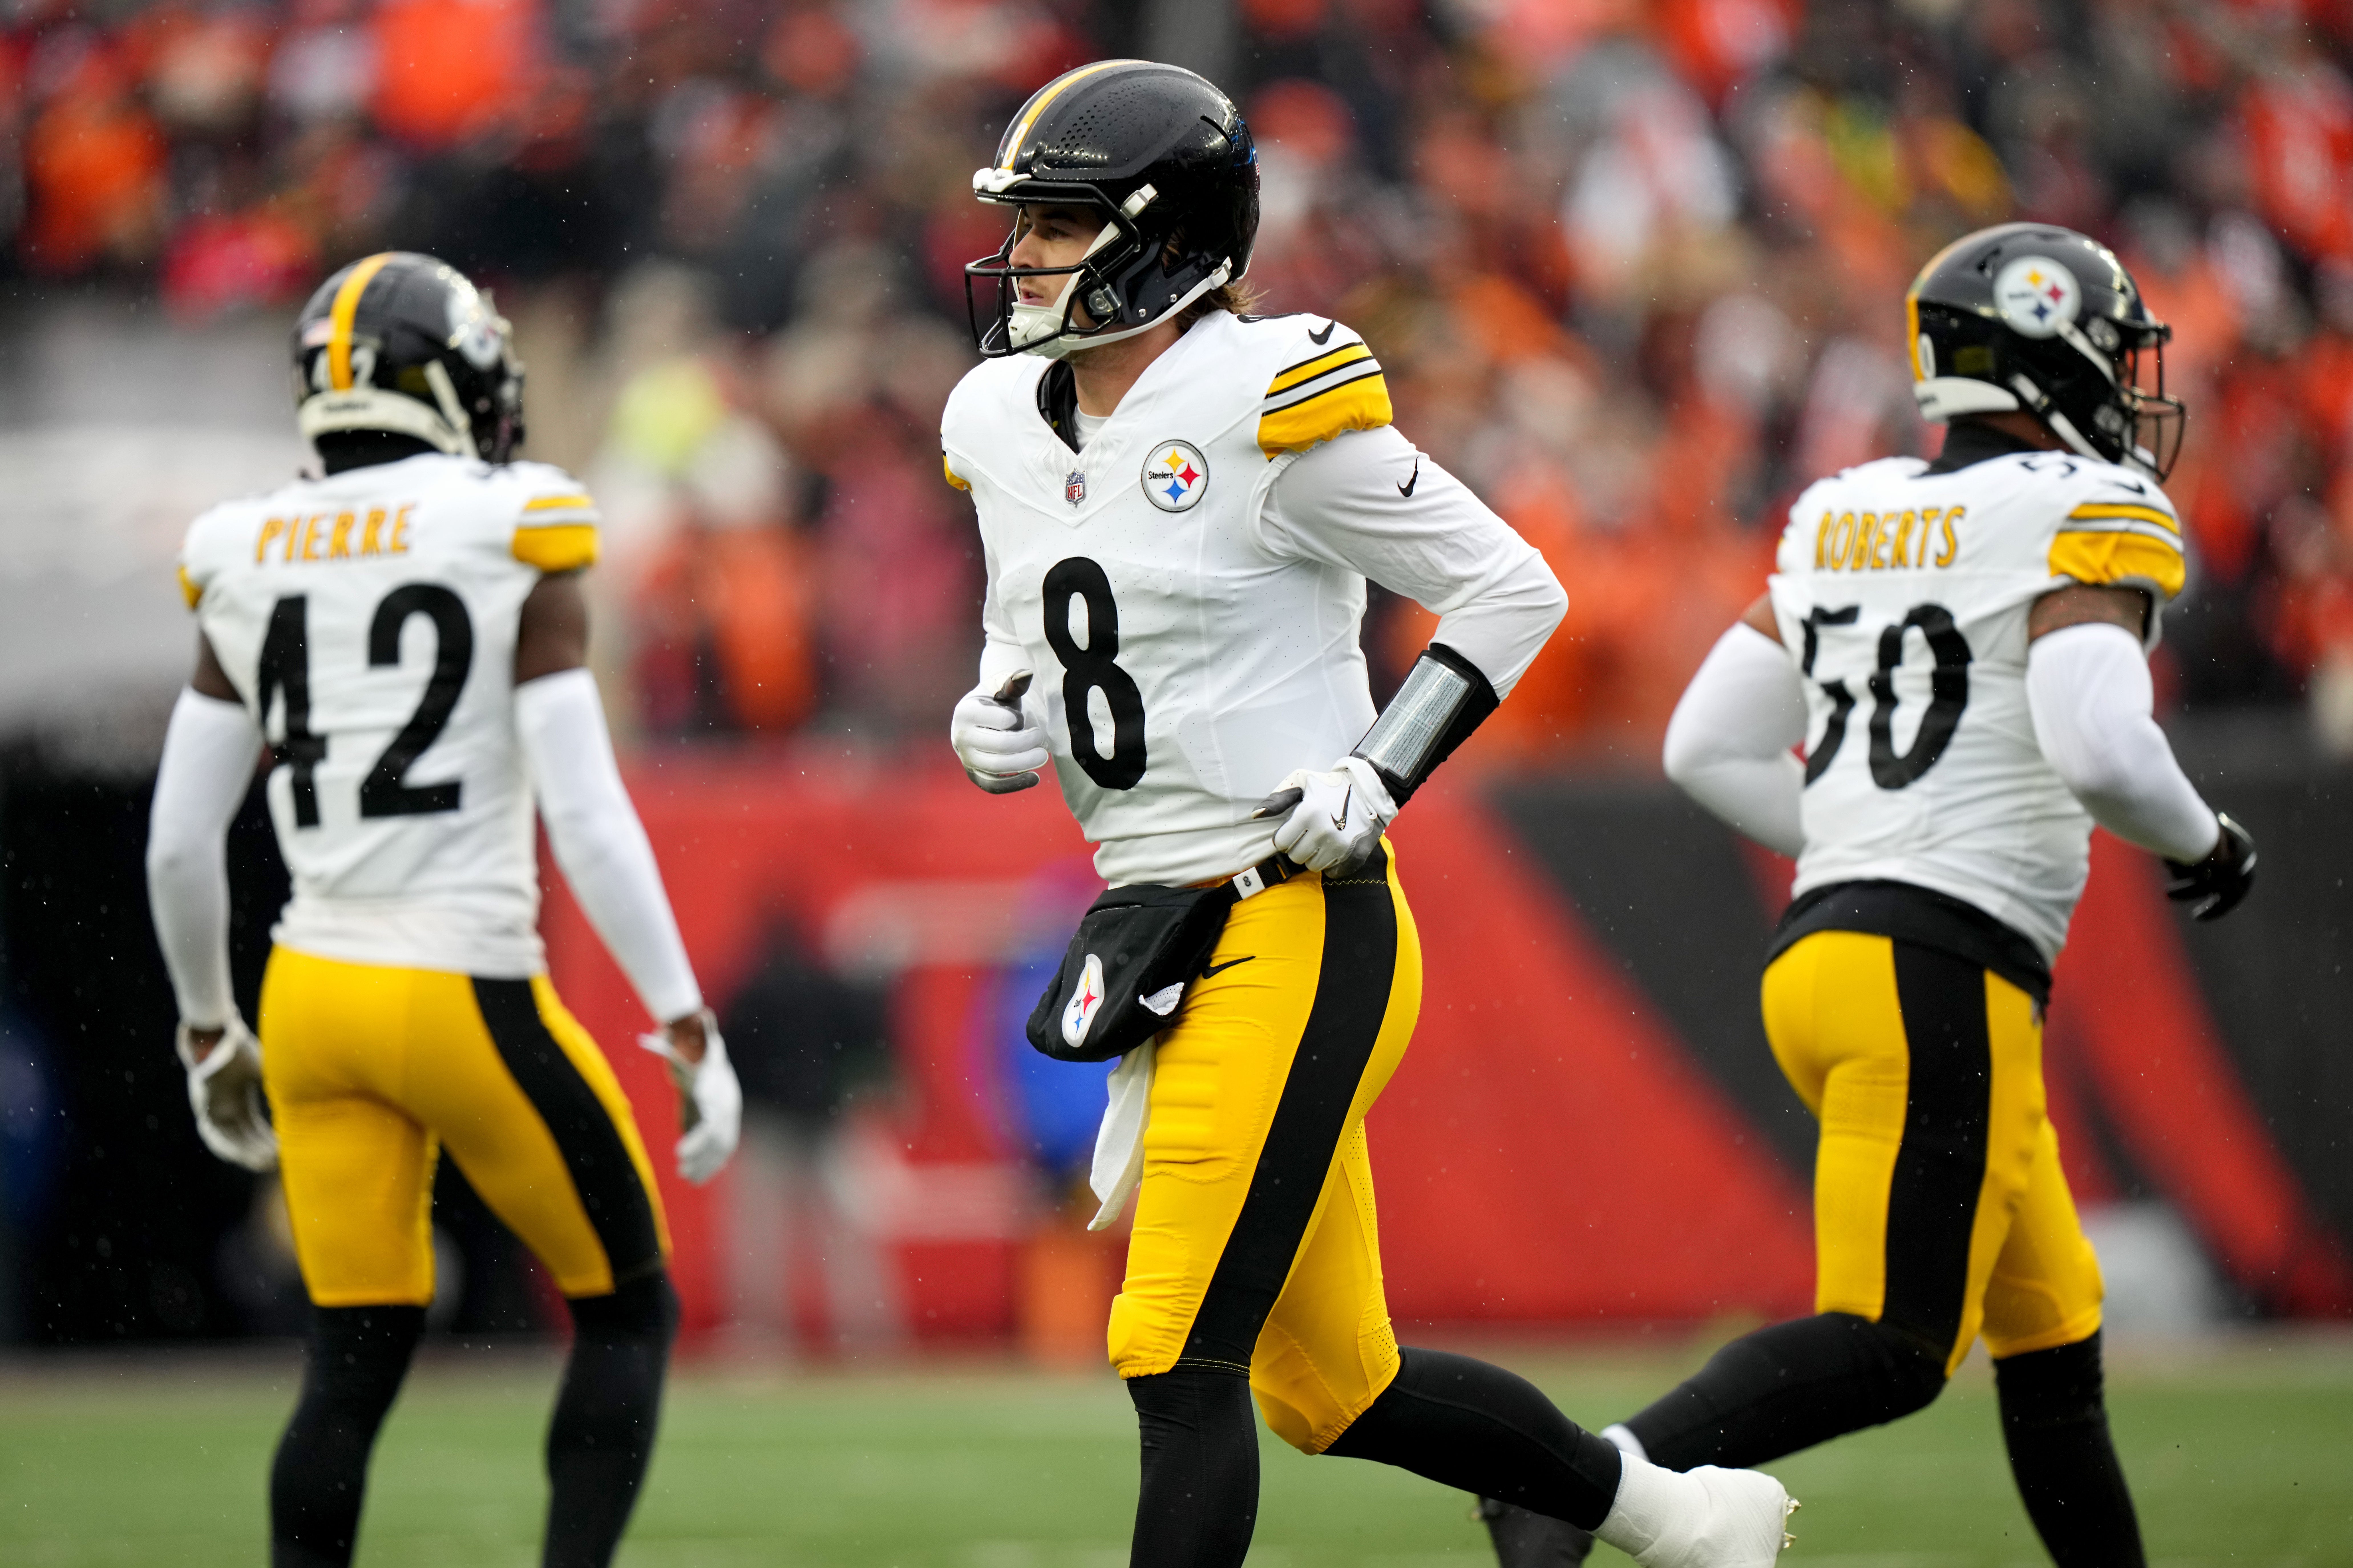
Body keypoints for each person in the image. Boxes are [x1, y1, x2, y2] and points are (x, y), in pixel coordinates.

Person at [943, 59, 1797, 1568]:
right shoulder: (998, 417)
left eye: (1060, 224)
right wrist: (999, 700)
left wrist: (1380, 765)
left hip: (1291, 907)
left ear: (1163, 236)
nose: (1024, 256)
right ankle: (1672, 1510)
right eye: (1025, 224)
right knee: (1330, 1384)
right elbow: (1044, 612)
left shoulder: (1266, 389)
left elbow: (1511, 586)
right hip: (1153, 913)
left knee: (1168, 1341)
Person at [1482, 222, 2257, 1568]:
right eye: (2112, 355)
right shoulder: (2085, 512)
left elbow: (1704, 743)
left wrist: (1859, 835)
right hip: (1935, 970)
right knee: (1894, 1347)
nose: (2130, 386)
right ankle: (1575, 1483)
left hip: (1837, 954)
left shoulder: (1846, 509)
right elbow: (2102, 742)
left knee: (2053, 1341)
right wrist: (2207, 841)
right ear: (2051, 356)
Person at [144, 252, 743, 1568]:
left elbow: (181, 838)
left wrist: (205, 1026)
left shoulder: (239, 545)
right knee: (629, 1311)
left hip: (307, 998)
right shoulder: (509, 519)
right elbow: (585, 813)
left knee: (349, 1356)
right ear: (448, 379)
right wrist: (683, 1016)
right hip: (458, 981)